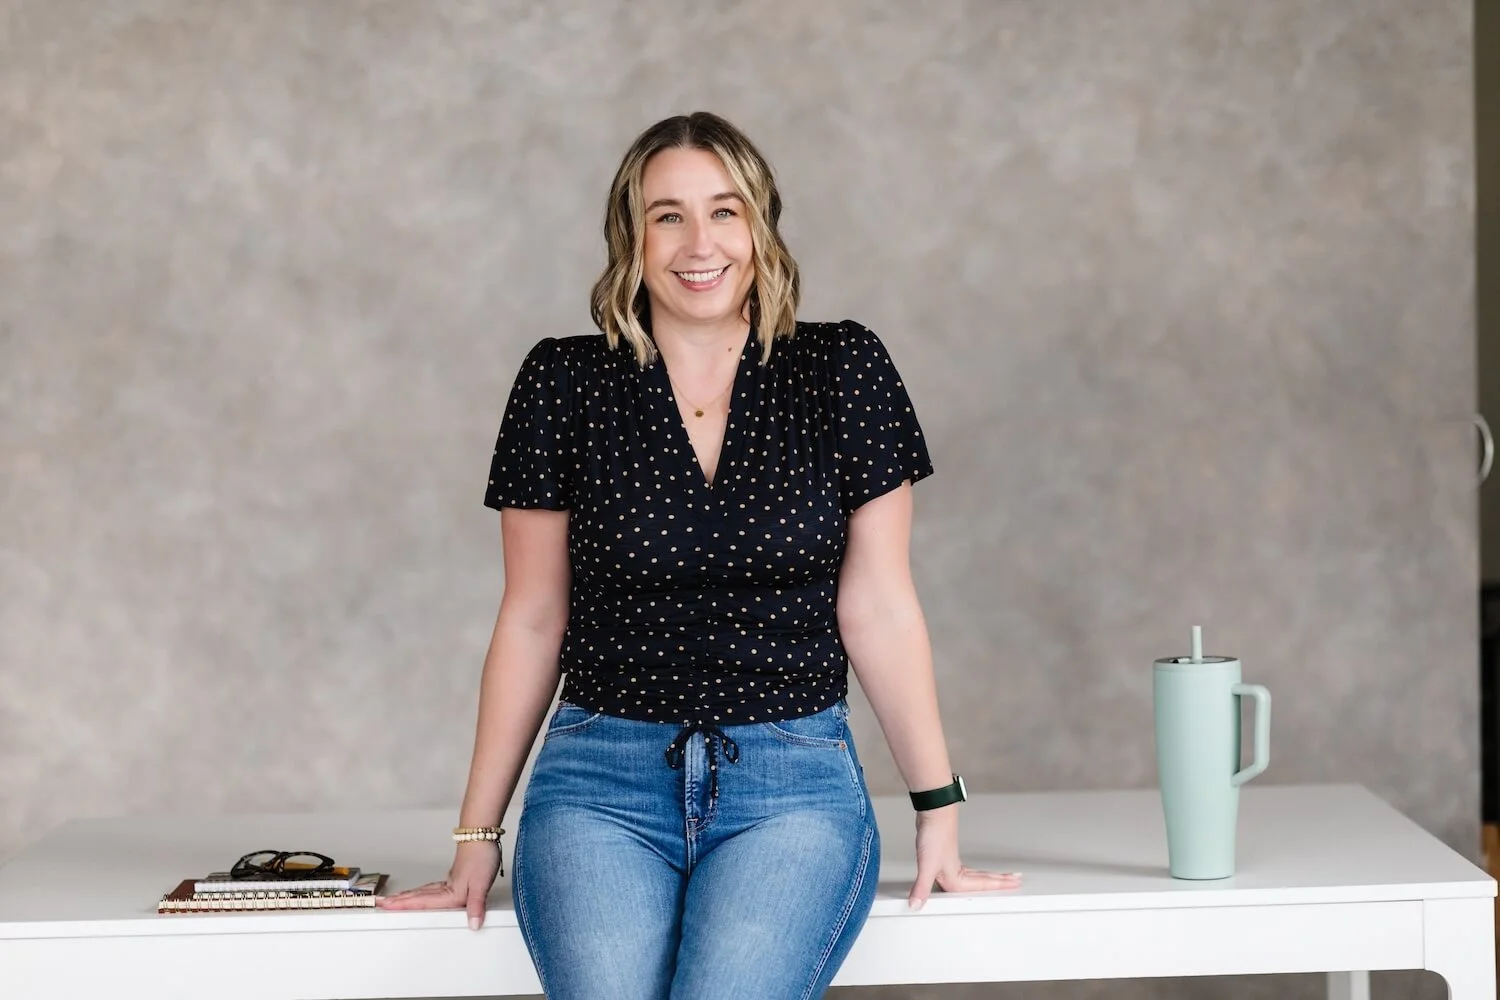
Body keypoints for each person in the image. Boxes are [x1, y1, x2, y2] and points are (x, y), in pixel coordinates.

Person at [378, 110, 1021, 999]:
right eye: (666, 214)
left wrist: (938, 809)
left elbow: (878, 605)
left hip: (792, 785)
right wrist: (475, 838)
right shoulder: (563, 382)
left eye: (724, 211)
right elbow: (532, 618)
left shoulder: (843, 369)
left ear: (761, 223)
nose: (698, 242)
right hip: (598, 786)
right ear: (630, 237)